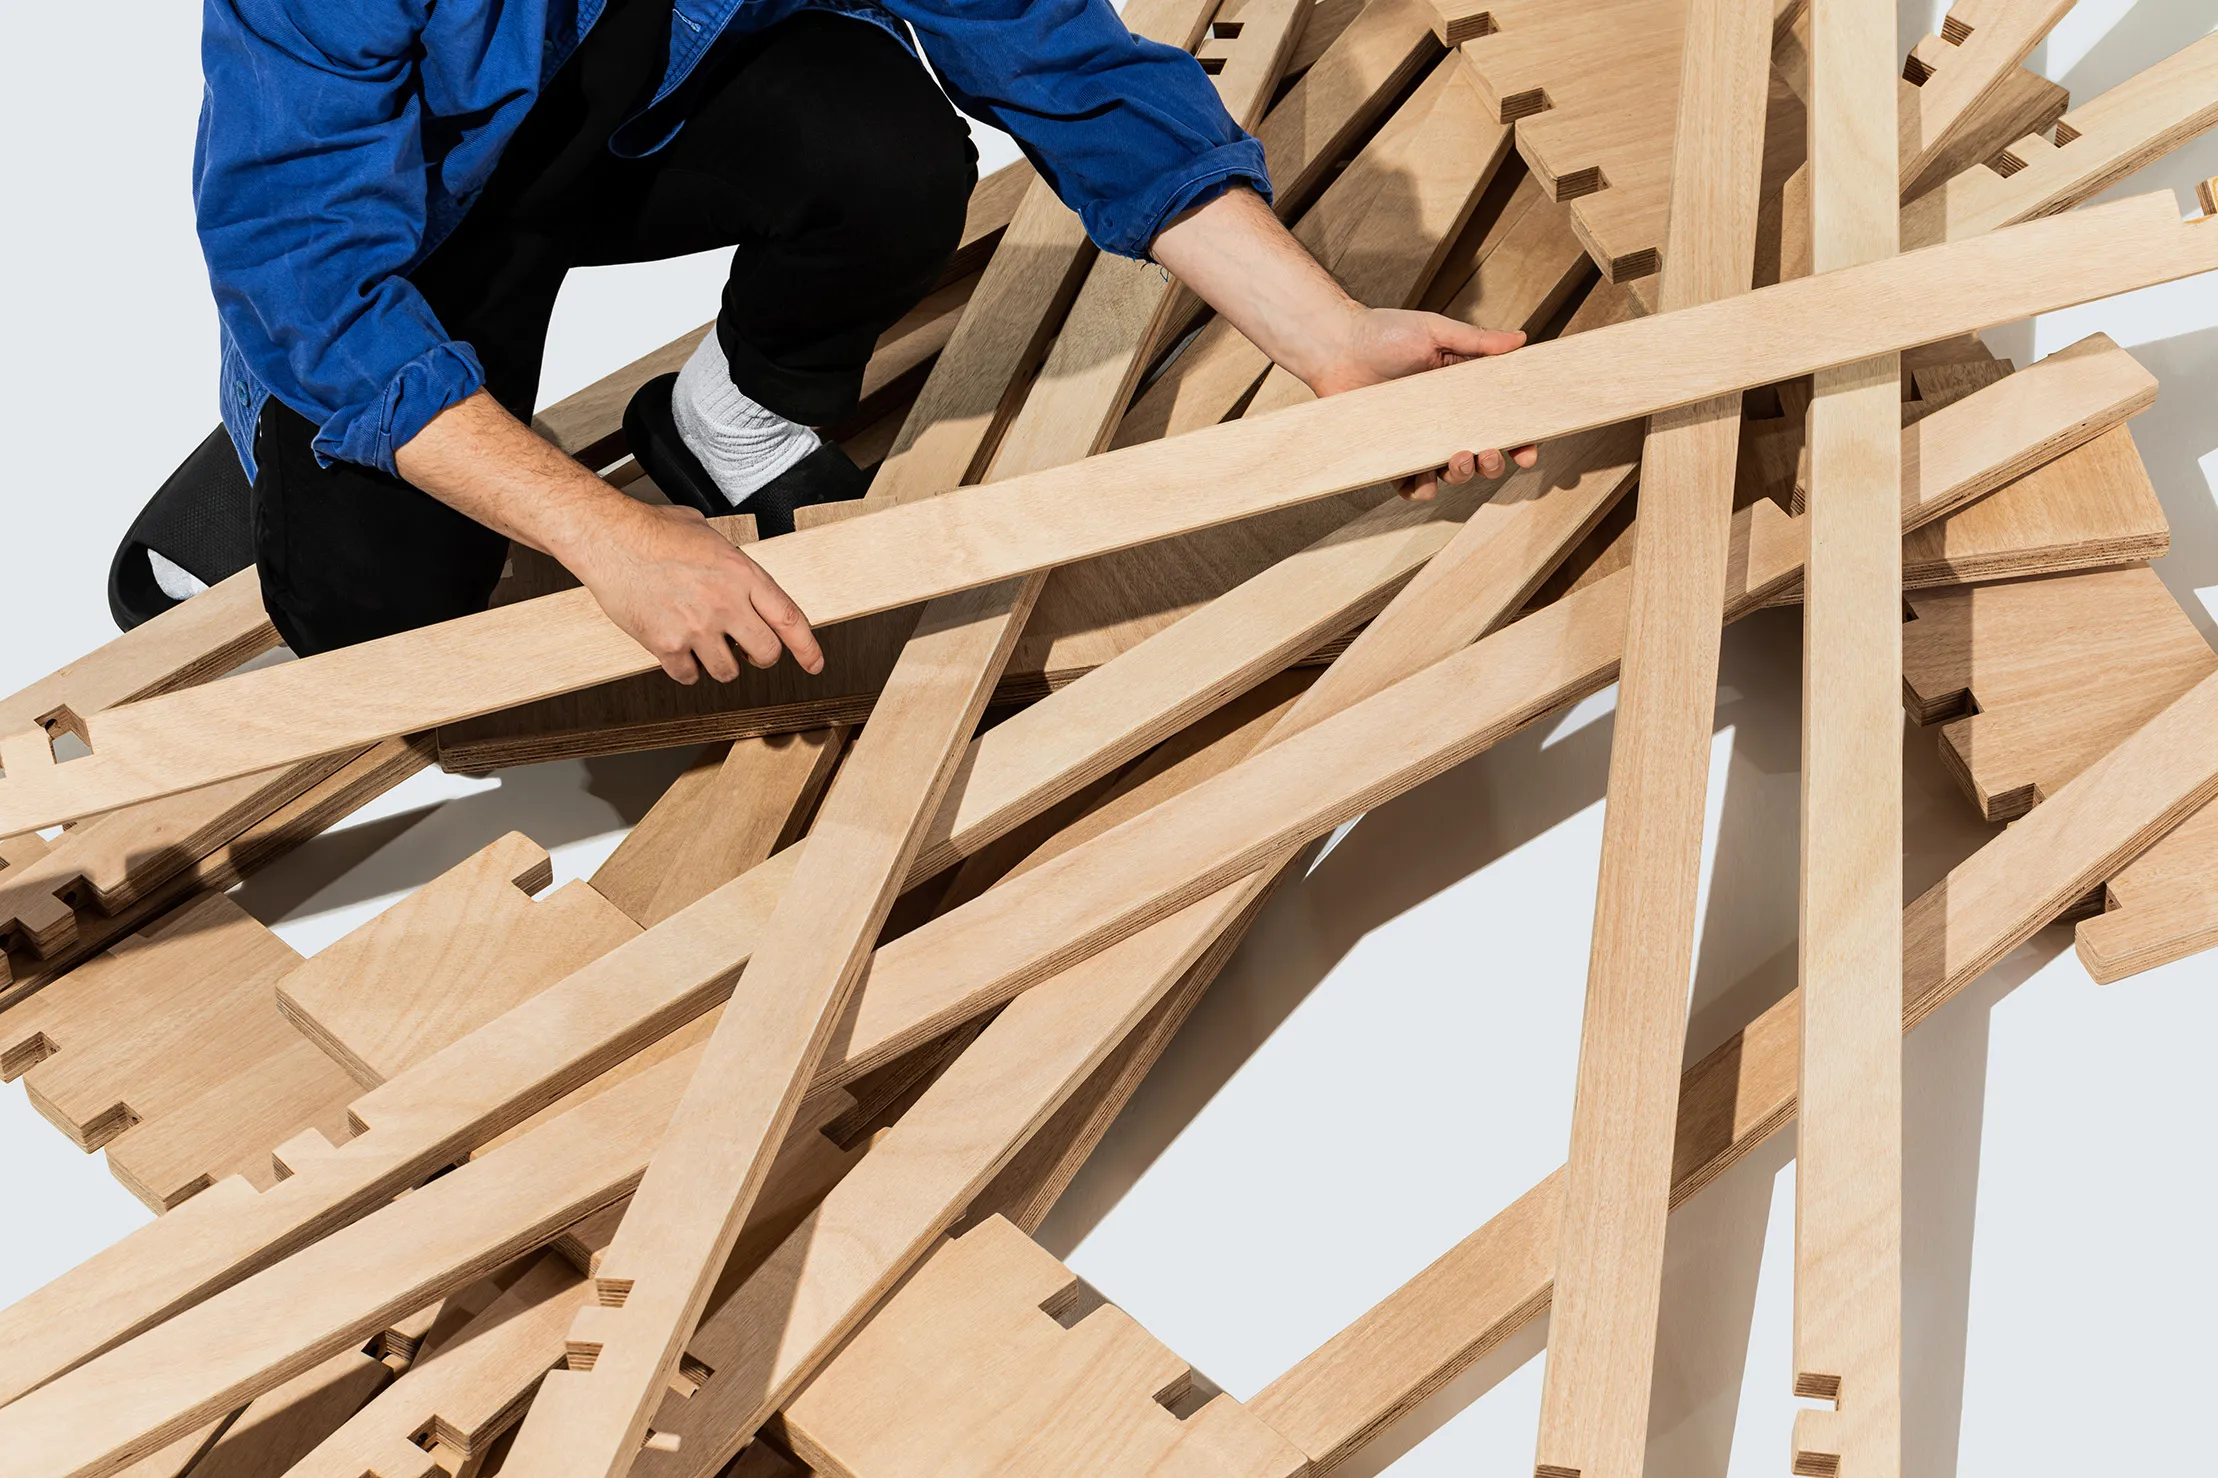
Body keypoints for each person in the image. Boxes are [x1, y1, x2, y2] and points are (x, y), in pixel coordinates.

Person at [115, 0, 1536, 685]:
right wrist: (610, 536)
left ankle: (724, 418)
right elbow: (304, 267)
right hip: (417, 221)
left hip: (643, 111)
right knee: (377, 629)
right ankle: (268, 449)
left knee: (889, 151)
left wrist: (1329, 335)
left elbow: (1052, 57)